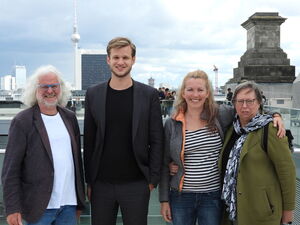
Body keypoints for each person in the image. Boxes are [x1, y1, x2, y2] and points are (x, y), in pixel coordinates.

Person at [159, 71, 285, 225]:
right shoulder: (172, 124)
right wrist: (164, 199)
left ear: (207, 93)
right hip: (180, 196)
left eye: (200, 90)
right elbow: (164, 163)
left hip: (212, 196)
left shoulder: (220, 114)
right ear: (183, 93)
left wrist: (275, 115)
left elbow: (248, 109)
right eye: (190, 90)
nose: (195, 94)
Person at [84, 37, 164, 225]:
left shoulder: (149, 95)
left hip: (137, 183)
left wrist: (152, 180)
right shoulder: (93, 94)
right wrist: (90, 180)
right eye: (116, 57)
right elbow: (89, 140)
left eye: (125, 58)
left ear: (133, 60)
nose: (121, 62)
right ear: (108, 60)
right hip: (101, 184)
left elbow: (157, 139)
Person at [1, 65, 85, 225]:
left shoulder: (70, 118)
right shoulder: (22, 121)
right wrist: (12, 208)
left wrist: (79, 201)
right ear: (35, 90)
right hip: (37, 208)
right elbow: (10, 170)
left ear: (61, 88)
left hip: (68, 206)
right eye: (44, 86)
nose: (50, 90)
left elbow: (76, 163)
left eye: (54, 86)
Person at [219, 81, 295, 225]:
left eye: (250, 101)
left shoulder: (271, 129)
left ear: (259, 102)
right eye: (240, 101)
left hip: (260, 212)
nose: (245, 106)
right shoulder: (232, 129)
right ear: (234, 103)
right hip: (231, 211)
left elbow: (287, 173)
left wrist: (288, 214)